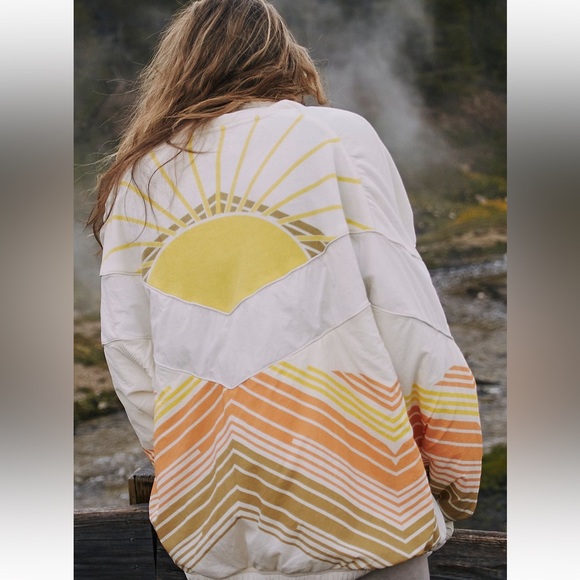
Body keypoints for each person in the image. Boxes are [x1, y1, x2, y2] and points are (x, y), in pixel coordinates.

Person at [88, 1, 483, 579]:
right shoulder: (333, 135)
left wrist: (197, 475)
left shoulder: (138, 177)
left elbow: (131, 357)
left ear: (179, 65)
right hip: (361, 499)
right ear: (282, 57)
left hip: (216, 527)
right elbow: (406, 313)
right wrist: (451, 477)